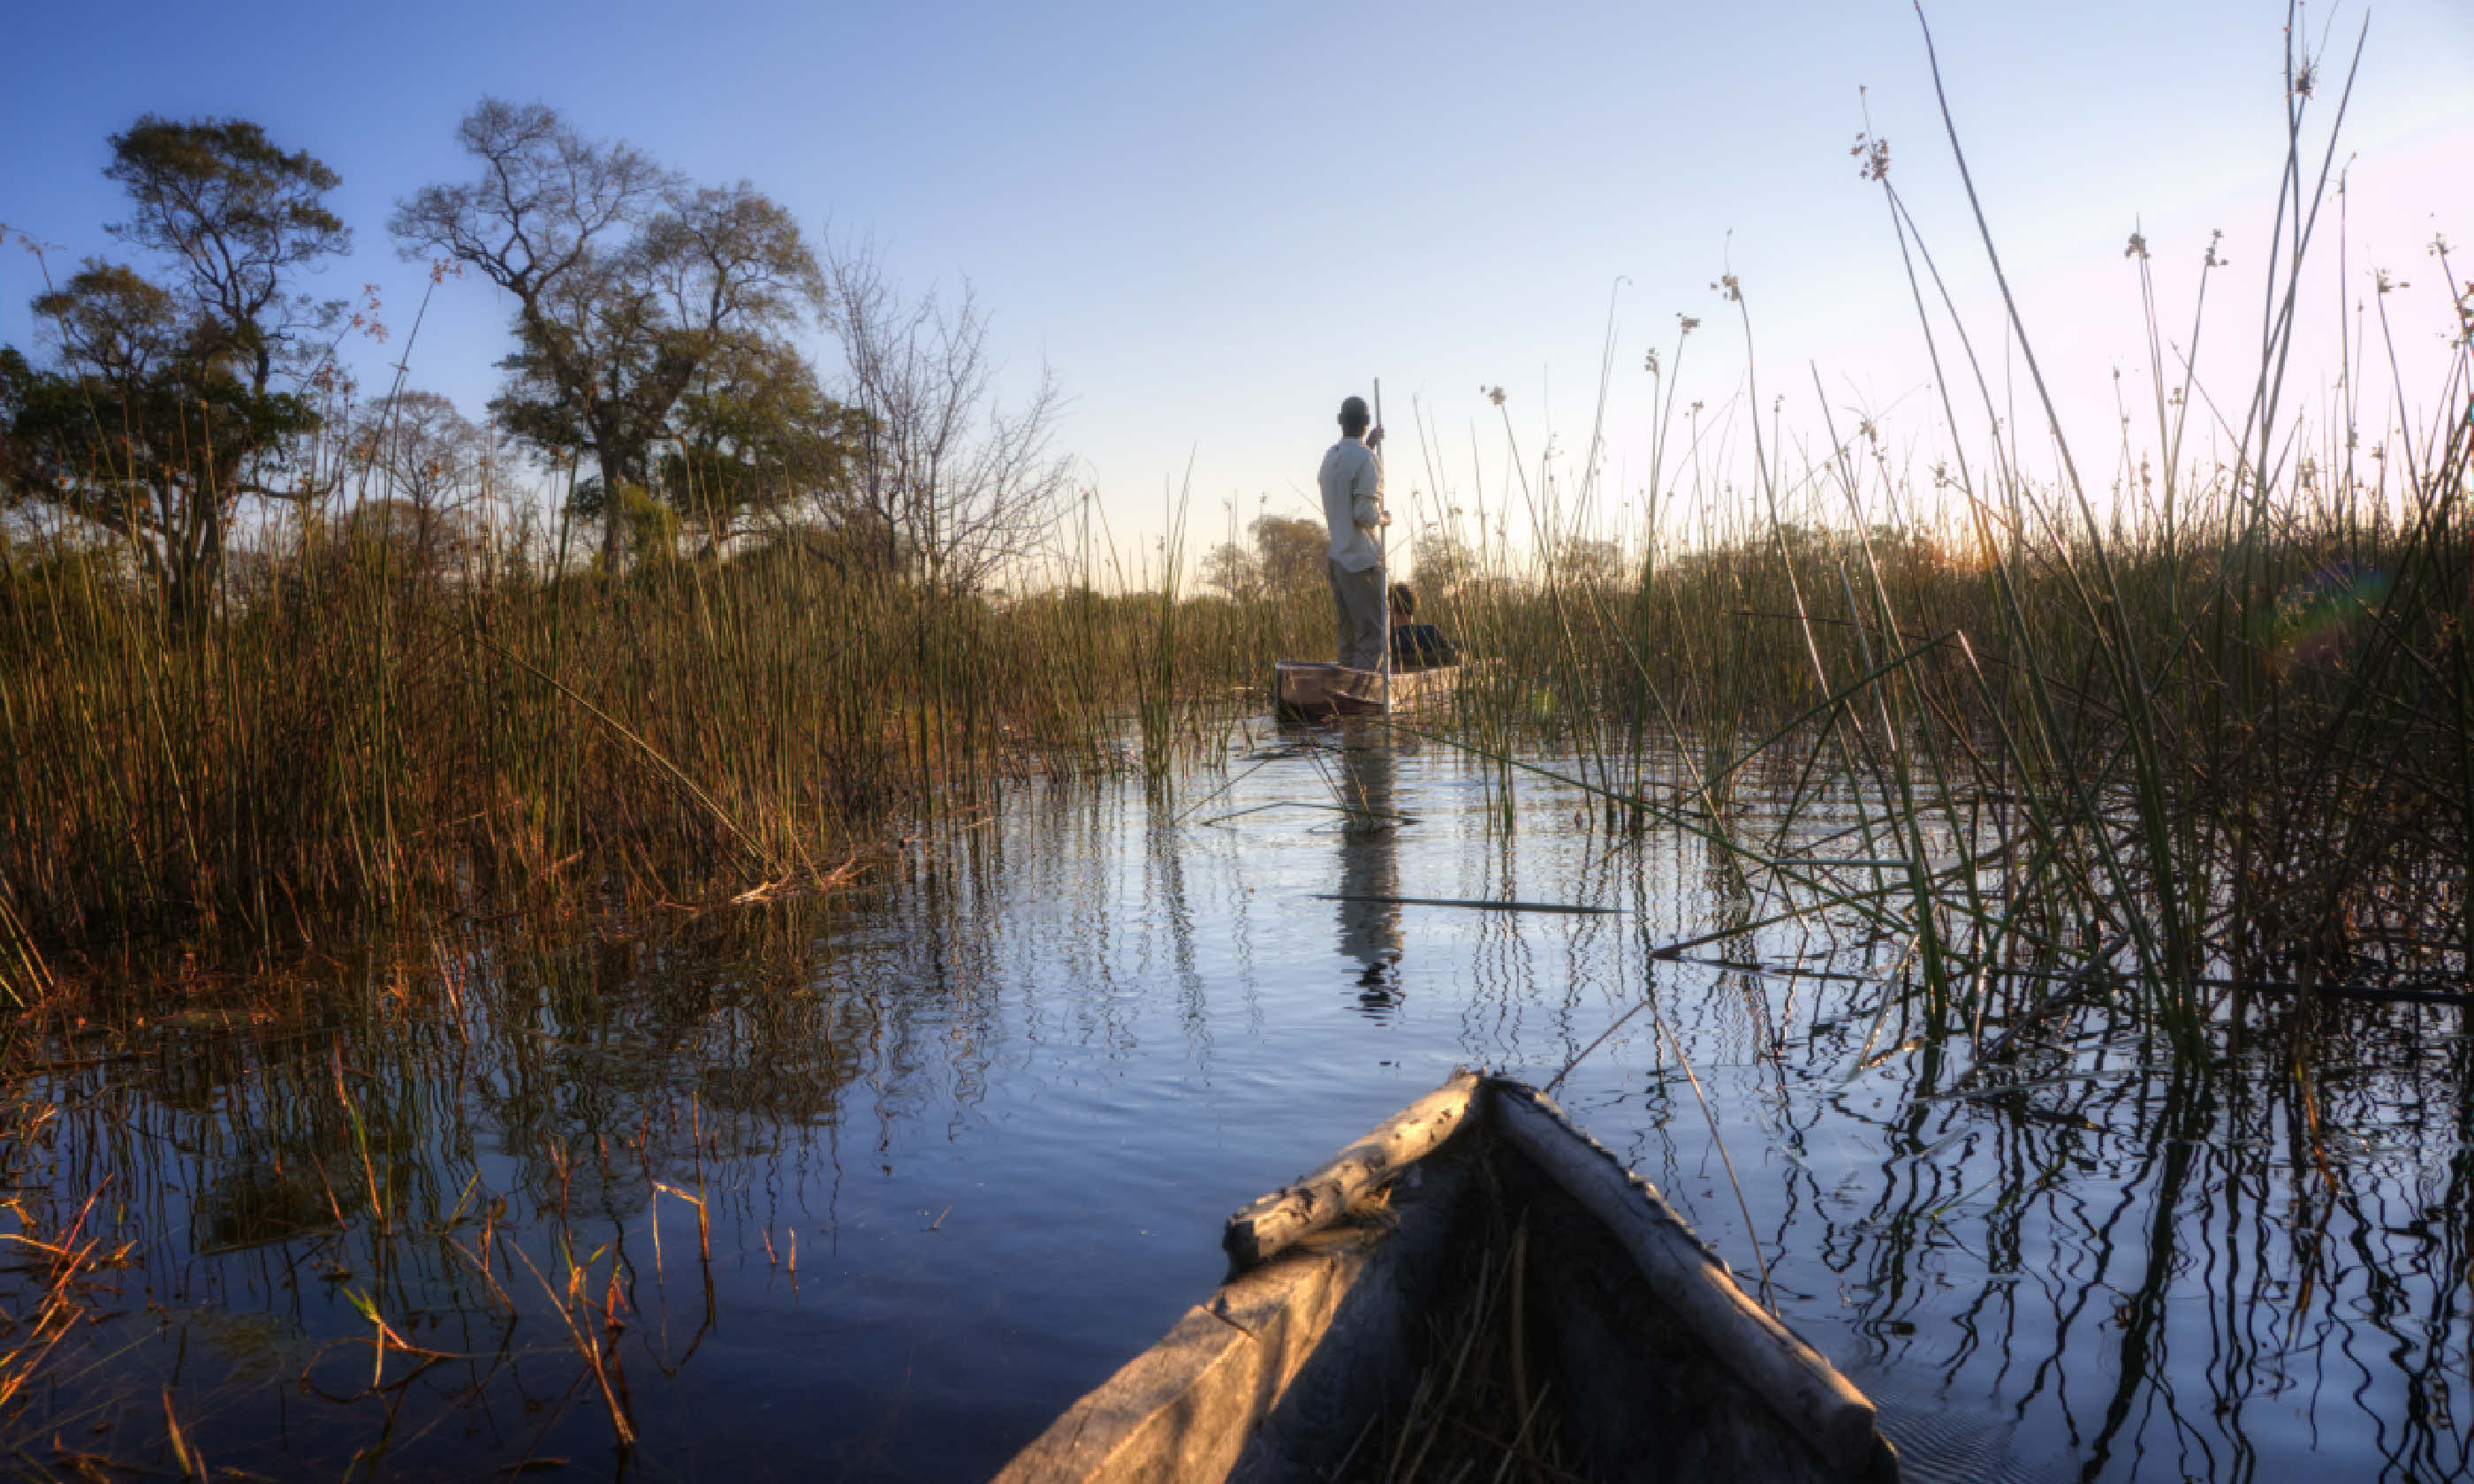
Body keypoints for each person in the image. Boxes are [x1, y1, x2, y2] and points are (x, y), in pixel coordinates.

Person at [1317, 395, 1387, 671]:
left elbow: (1346, 479)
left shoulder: (1330, 457)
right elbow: (1363, 514)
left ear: (1339, 422)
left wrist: (1368, 445)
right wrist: (1385, 518)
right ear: (1367, 422)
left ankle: (1341, 691)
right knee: (1371, 636)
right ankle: (1363, 697)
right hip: (1362, 561)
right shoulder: (1368, 460)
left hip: (1337, 559)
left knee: (1348, 636)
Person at [1387, 583, 1460, 669]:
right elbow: (1453, 655)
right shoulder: (1430, 633)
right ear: (1414, 605)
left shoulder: (1385, 639)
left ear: (1390, 607)